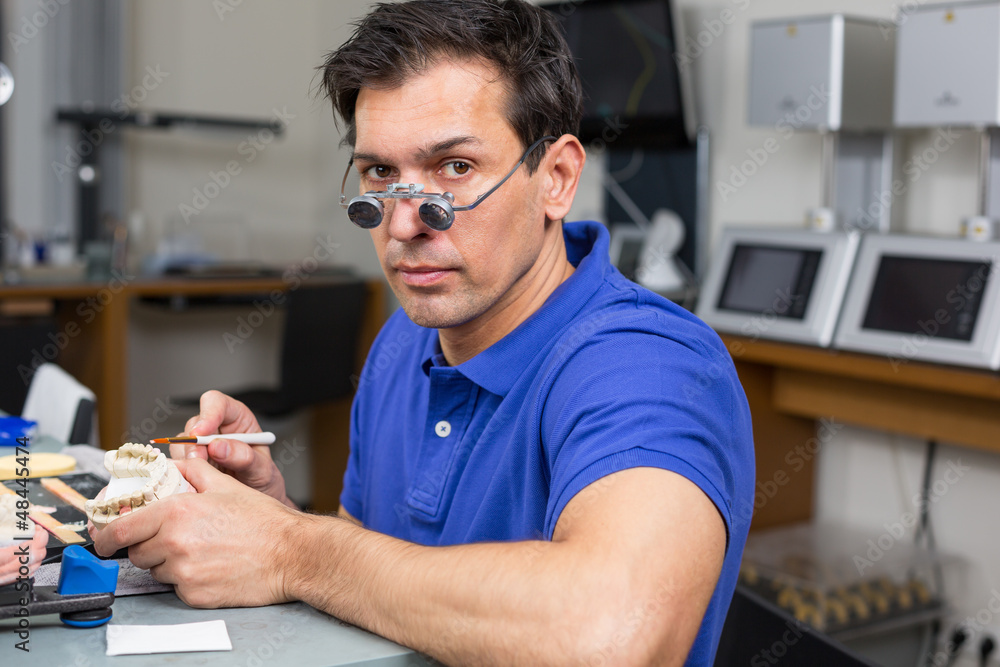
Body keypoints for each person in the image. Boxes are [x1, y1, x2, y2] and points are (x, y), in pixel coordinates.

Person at [92, 1, 755, 664]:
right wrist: (270, 520)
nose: (404, 224)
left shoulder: (651, 365)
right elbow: (372, 565)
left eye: (454, 168)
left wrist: (291, 548)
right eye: (381, 173)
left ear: (556, 178)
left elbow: (611, 634)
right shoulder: (406, 339)